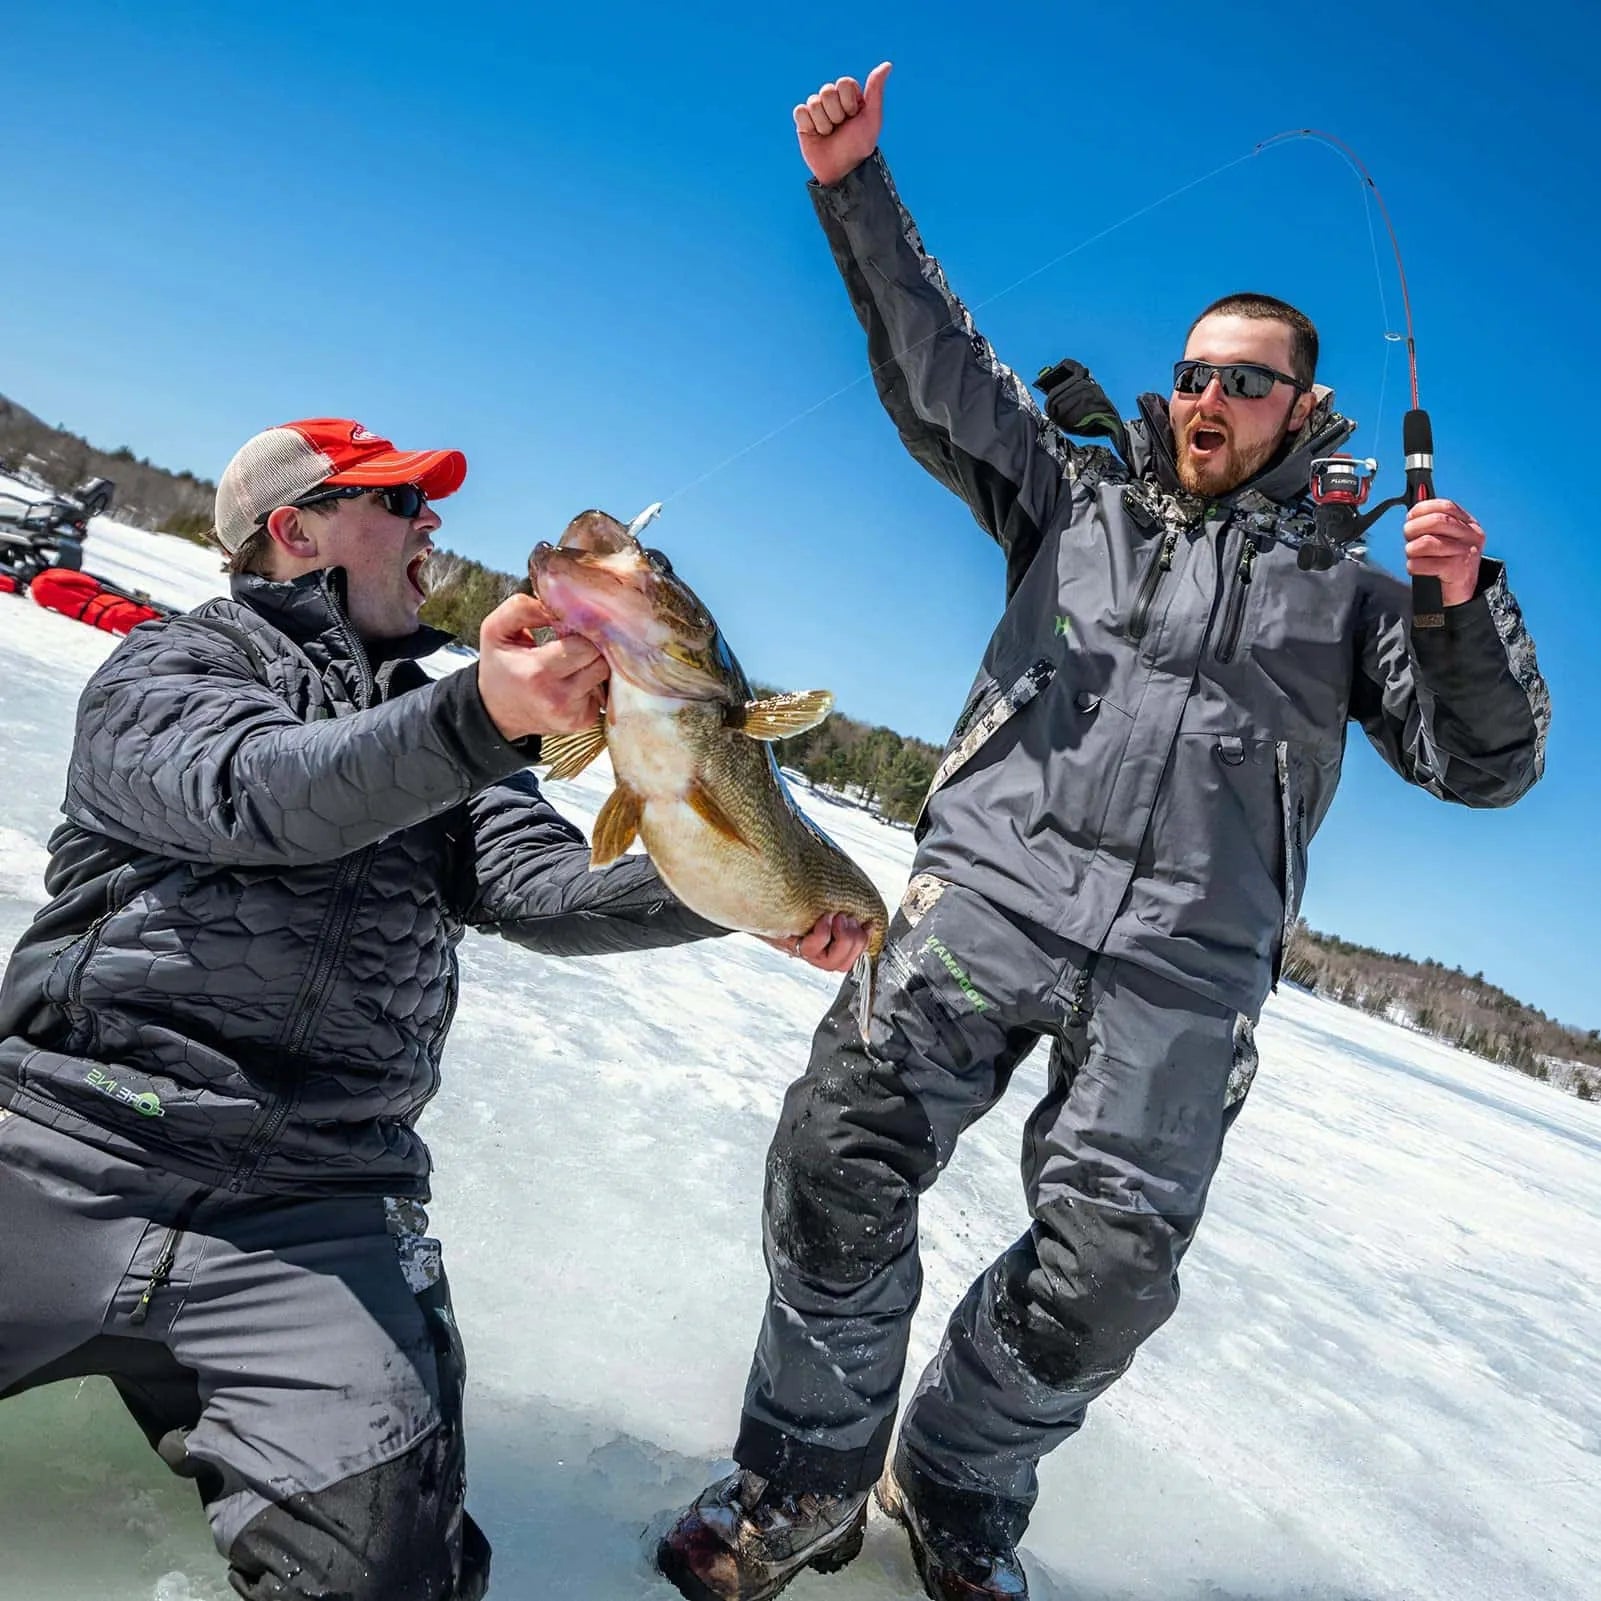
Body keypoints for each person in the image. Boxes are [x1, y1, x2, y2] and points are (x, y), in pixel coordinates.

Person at [658, 65, 1550, 1601]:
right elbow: (939, 371)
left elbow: (1486, 765)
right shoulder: (1078, 502)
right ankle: (800, 1478)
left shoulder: (1358, 590)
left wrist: (1463, 608)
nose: (1207, 396)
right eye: (1196, 371)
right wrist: (855, 188)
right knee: (838, 1160)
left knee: (1106, 1286)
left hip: (1180, 977)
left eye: (1246, 381)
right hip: (988, 906)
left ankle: (951, 1479)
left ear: (1305, 409)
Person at [0, 415, 865, 1600]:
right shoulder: (172, 669)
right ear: (293, 531)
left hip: (318, 1204)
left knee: (394, 1578)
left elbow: (540, 885)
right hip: (62, 1142)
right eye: (398, 501)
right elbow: (263, 795)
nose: (431, 524)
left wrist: (743, 886)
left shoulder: (456, 732)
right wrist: (472, 717)